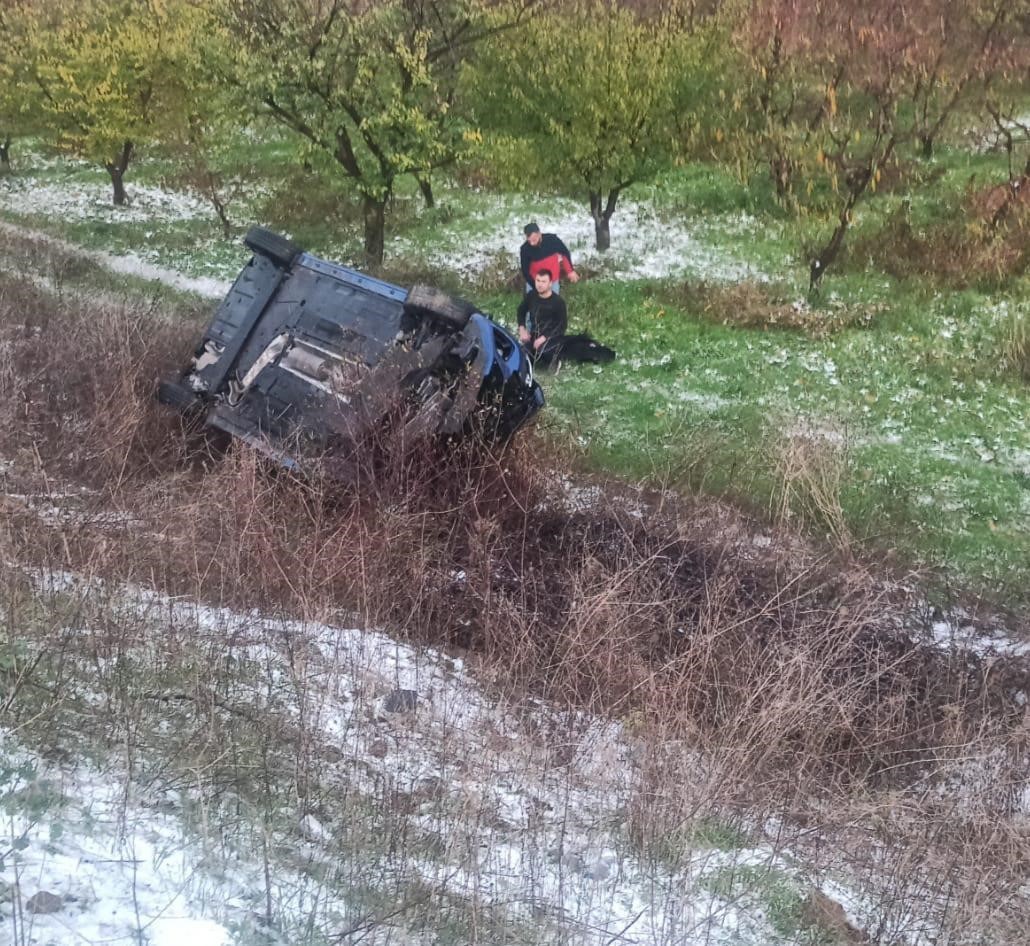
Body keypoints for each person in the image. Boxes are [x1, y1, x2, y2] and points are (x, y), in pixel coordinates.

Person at [517, 268, 567, 364]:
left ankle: (557, 361)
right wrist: (522, 329)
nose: (540, 284)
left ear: (550, 283)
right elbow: (521, 311)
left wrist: (544, 338)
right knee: (523, 355)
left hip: (552, 338)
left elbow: (562, 325)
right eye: (538, 281)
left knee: (545, 354)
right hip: (535, 334)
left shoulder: (558, 302)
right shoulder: (531, 295)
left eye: (543, 281)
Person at [519, 222, 580, 294]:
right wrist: (536, 286)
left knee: (553, 303)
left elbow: (564, 253)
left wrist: (570, 271)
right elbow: (525, 272)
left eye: (534, 240)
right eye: (529, 241)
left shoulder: (552, 240)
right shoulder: (524, 249)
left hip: (552, 281)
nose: (532, 243)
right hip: (535, 281)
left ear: (539, 234)